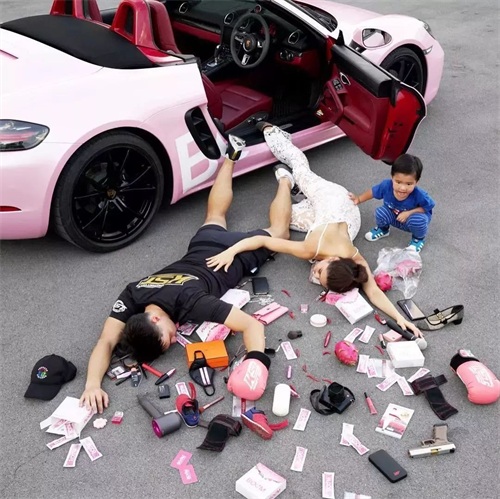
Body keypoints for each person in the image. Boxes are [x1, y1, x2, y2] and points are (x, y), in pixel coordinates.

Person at [80, 135, 293, 414]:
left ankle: (285, 179)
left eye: (168, 337)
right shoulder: (133, 292)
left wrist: (256, 363)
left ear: (155, 318)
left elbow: (252, 325)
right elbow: (107, 341)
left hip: (234, 254)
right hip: (202, 245)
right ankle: (231, 155)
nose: (174, 340)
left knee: (280, 233)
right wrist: (92, 385)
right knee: (214, 216)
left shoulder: (192, 302)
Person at [206, 123, 422, 338]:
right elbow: (263, 240)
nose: (315, 273)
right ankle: (273, 135)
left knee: (287, 215)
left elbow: (373, 292)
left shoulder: (355, 262)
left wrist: (400, 318)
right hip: (334, 198)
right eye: (320, 271)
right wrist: (231, 251)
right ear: (334, 259)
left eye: (318, 275)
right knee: (299, 170)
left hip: (348, 218)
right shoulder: (310, 249)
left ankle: (294, 190)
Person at [349, 154, 435, 253]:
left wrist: (408, 213)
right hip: (394, 217)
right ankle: (383, 229)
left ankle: (418, 239)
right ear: (392, 177)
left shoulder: (420, 195)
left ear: (416, 181)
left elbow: (428, 207)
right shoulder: (386, 185)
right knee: (380, 212)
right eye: (398, 182)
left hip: (410, 220)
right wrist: (359, 199)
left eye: (409, 184)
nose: (402, 188)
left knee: (419, 220)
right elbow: (373, 192)